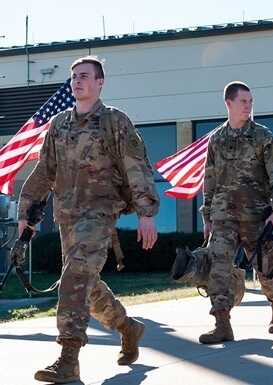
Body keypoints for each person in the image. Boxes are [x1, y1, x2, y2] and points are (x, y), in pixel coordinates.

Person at [18, 56, 160, 384]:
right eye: (73, 77)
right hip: (67, 215)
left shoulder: (115, 122)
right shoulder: (59, 125)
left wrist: (146, 213)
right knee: (86, 284)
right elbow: (44, 171)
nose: (77, 81)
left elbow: (136, 167)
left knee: (74, 277)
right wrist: (28, 212)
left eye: (84, 76)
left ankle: (68, 357)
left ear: (100, 83)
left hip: (99, 214)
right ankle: (128, 328)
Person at [200, 81, 273, 344]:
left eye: (251, 101)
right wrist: (207, 217)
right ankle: (222, 323)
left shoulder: (263, 137)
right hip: (223, 217)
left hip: (256, 216)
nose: (248, 106)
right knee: (218, 267)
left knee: (267, 269)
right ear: (228, 103)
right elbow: (210, 180)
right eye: (243, 101)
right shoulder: (216, 139)